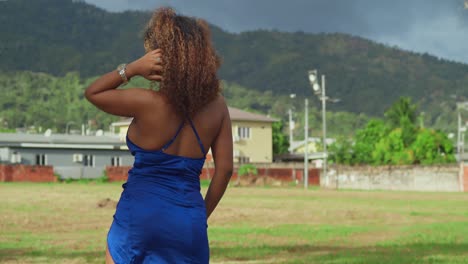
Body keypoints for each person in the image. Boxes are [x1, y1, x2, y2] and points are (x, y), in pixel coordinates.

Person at [84, 7, 233, 264]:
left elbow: (93, 93)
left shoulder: (145, 102)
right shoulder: (217, 107)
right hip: (188, 221)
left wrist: (129, 70)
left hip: (138, 216)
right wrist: (199, 214)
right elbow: (226, 169)